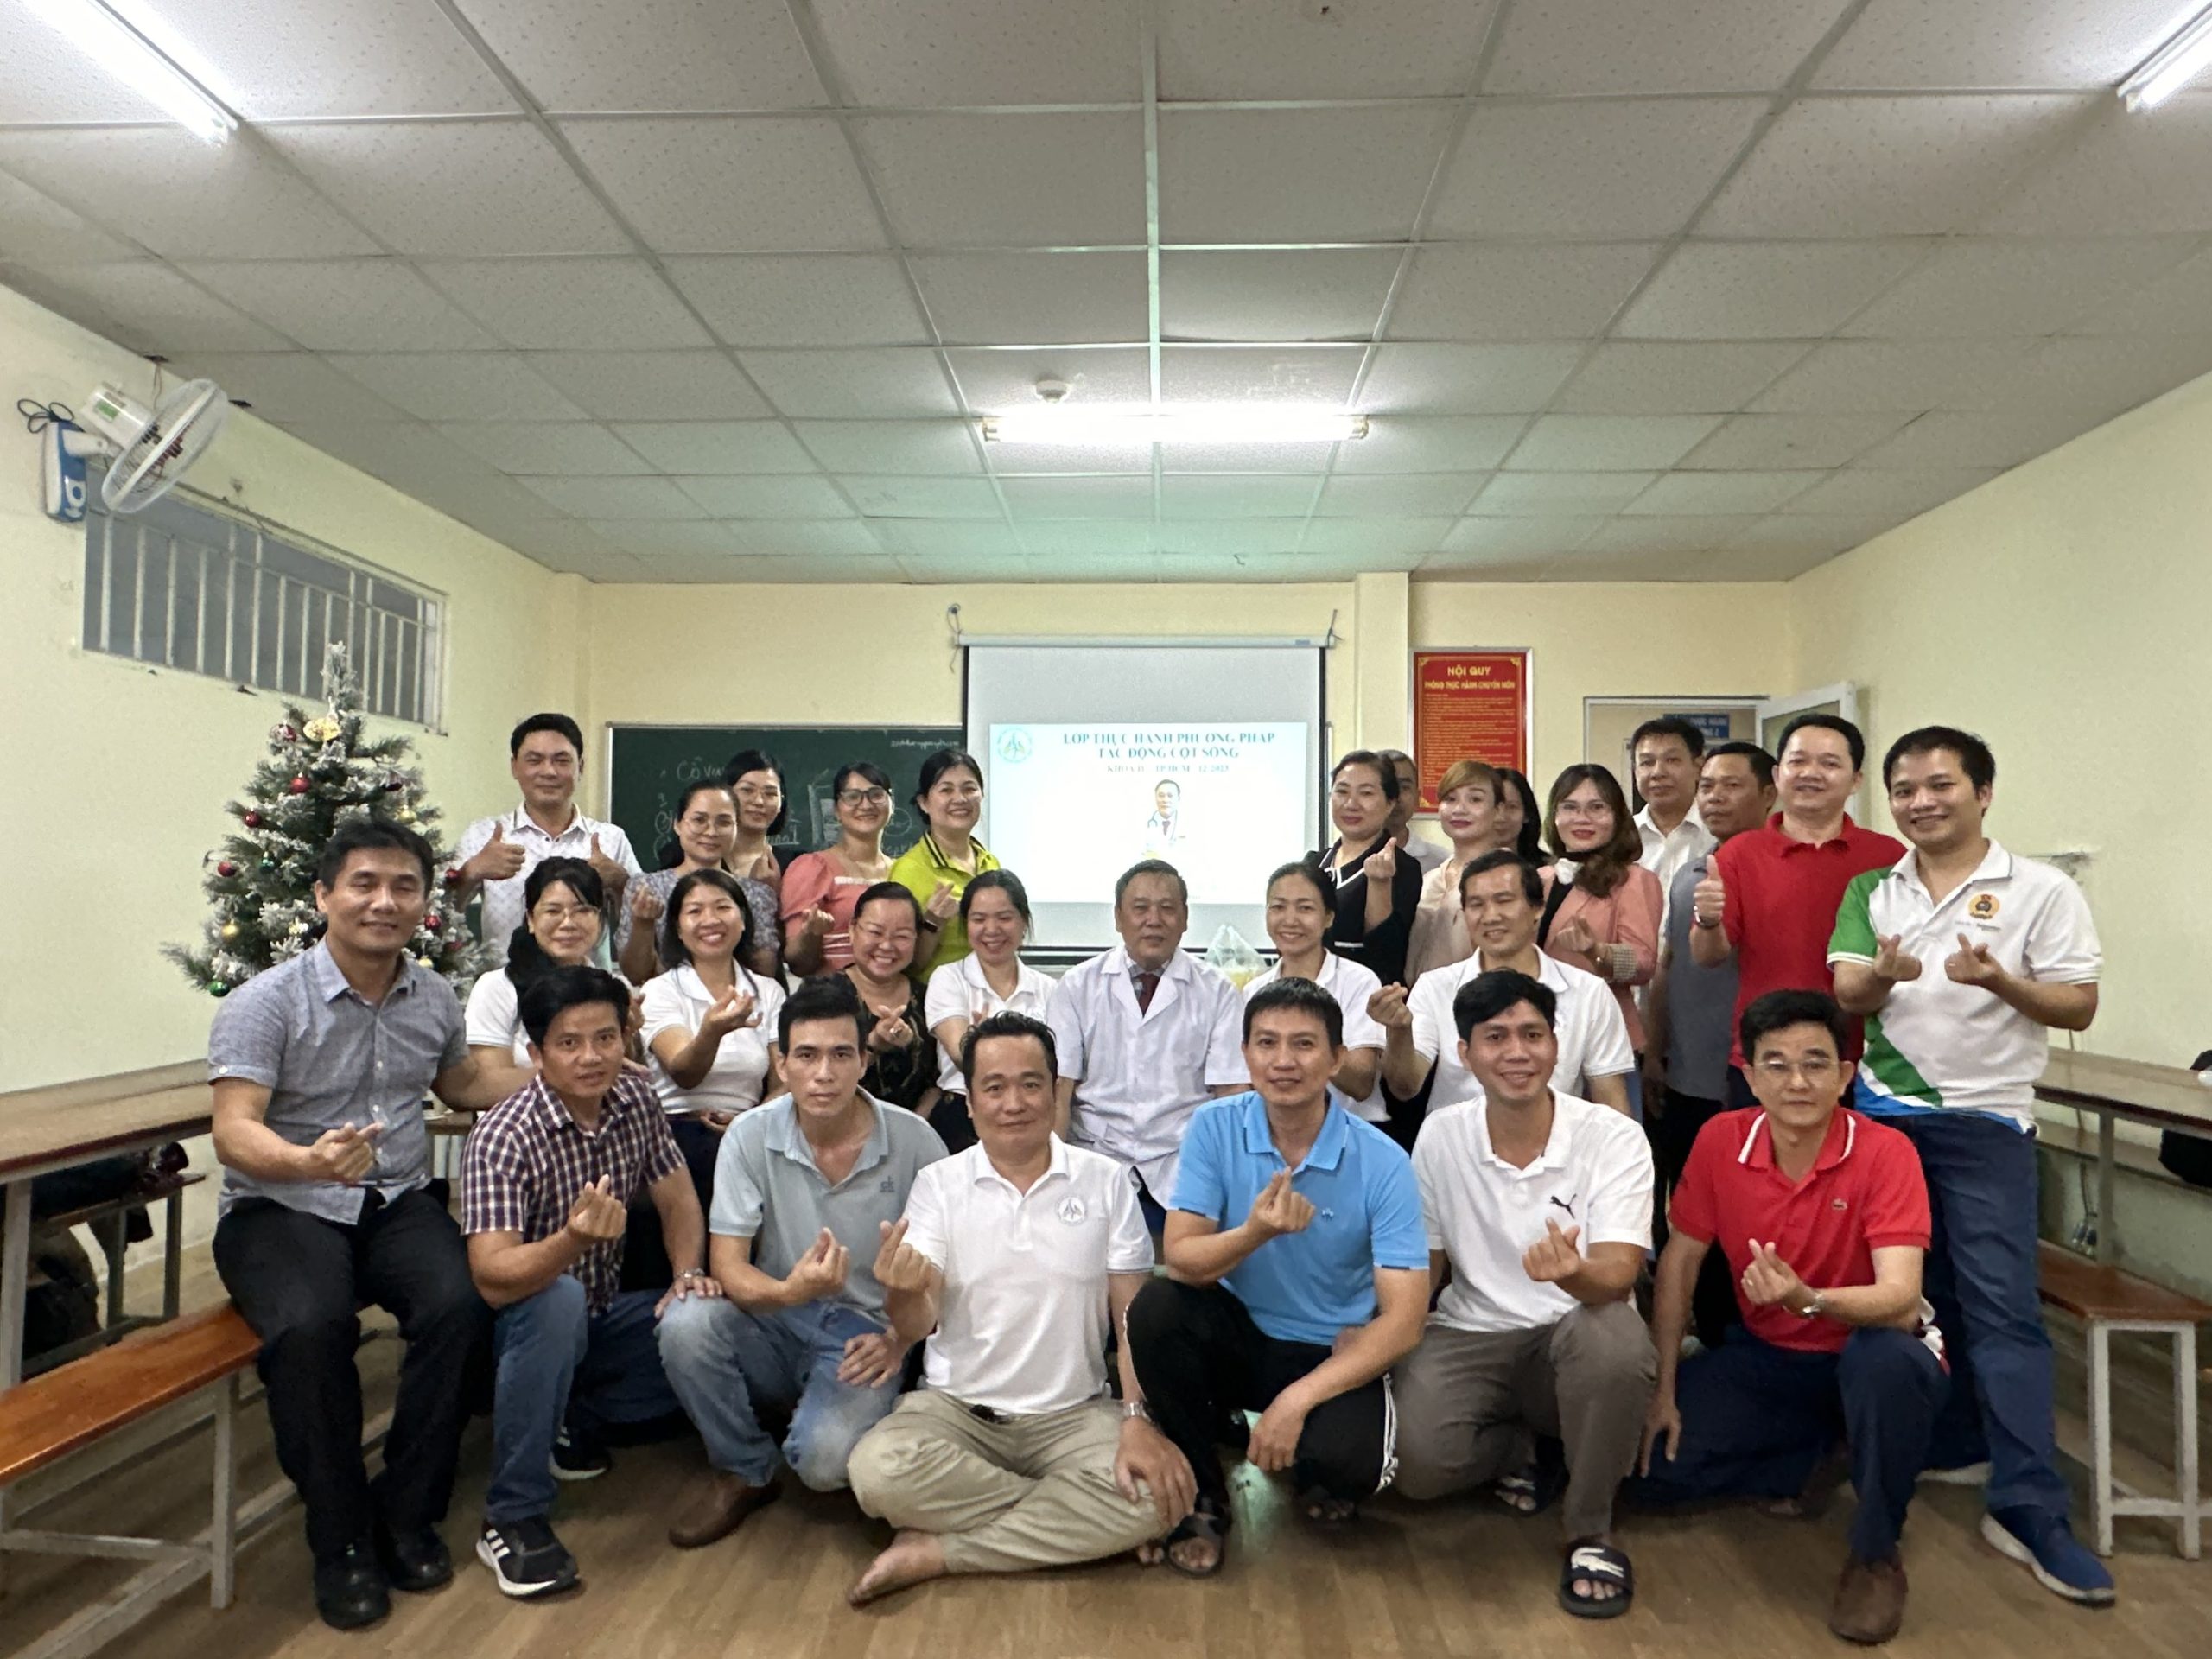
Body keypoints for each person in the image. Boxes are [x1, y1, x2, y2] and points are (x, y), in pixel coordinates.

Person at [1828, 727, 2113, 1606]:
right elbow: (1848, 991)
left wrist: (2001, 983)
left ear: (1982, 793)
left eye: (1939, 785)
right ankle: (1952, 1443)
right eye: (1904, 789)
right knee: (1917, 1299)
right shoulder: (1874, 887)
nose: (1920, 801)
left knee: (2003, 1314)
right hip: (1885, 1121)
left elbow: (2078, 1004)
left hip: (1988, 1122)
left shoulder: (2041, 889)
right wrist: (1884, 973)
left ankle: (2029, 1507)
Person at [207, 818, 512, 1630]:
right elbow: (233, 1130)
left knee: (462, 1306)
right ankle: (340, 1536)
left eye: (404, 886)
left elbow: (460, 1085)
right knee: (310, 1329)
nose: (385, 902)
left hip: (396, 1200)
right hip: (281, 1206)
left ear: (424, 902)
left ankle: (406, 1513)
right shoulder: (265, 1002)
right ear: (324, 896)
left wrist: (564, 1068)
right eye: (364, 884)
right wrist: (306, 1161)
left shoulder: (433, 995)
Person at [842, 1012, 1195, 1604]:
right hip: (956, 1412)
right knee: (876, 1472)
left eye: (1031, 1084)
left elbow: (1131, 1319)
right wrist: (899, 1291)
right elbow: (917, 1324)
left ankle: (938, 1552)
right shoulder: (939, 1184)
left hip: (1074, 1416)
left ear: (1055, 1092)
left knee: (1157, 1498)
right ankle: (1073, 1526)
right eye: (994, 1087)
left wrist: (1136, 1417)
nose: (1014, 1103)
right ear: (971, 1102)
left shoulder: (1106, 1182)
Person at [1633, 991, 1946, 1648]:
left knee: (1885, 1366)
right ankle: (1816, 1455)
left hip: (1873, 1348)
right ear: (1749, 1076)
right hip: (1771, 1355)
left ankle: (1876, 1554)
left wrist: (1810, 1299)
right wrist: (1664, 1388)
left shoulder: (1887, 1152)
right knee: (1652, 1469)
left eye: (1815, 1063)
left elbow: (1899, 1299)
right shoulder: (1721, 1140)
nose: (1796, 1081)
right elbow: (1681, 1263)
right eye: (1775, 1064)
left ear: (1846, 1073)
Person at [1125, 979, 1430, 1573]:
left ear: (1337, 1059)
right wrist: (1255, 1232)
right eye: (1266, 1043)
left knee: (1349, 1468)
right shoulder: (1214, 1126)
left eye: (1304, 1044)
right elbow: (1181, 1257)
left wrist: (1295, 1401)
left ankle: (1293, 1446)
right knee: (1156, 1307)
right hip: (1238, 1333)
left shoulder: (1384, 1160)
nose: (1283, 1061)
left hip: (1328, 1350)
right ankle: (1206, 1495)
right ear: (1245, 1054)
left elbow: (1406, 1319)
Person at [1393, 970, 1656, 1621]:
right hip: (1472, 1331)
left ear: (1556, 1046)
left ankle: (1590, 1530)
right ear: (1464, 1054)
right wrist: (1381, 1334)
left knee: (1617, 1341)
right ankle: (1524, 1448)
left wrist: (1570, 1274)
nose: (1517, 1052)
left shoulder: (1613, 1136)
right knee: (1416, 1469)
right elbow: (1427, 1265)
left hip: (1575, 1328)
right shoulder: (1441, 1135)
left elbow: (1618, 1274)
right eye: (1496, 1037)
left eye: (1533, 1035)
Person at [656, 977, 948, 1548]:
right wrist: (792, 1291)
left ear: (864, 1062)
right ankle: (744, 1467)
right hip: (774, 1314)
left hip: (867, 1332)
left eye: (841, 1055)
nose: (824, 1074)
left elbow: (944, 1272)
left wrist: (899, 1339)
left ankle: (843, 1412)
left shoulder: (916, 1141)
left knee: (823, 1465)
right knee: (685, 1321)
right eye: (807, 1056)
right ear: (782, 1064)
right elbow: (728, 1266)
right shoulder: (749, 1135)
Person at [461, 967, 721, 1598]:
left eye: (605, 1038)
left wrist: (688, 1276)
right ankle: (512, 1516)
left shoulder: (635, 1101)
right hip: (519, 1331)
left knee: (713, 1324)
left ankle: (572, 1413)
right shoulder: (502, 1134)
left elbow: (679, 1200)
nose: (591, 1057)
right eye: (569, 1043)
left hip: (603, 1318)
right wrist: (572, 1241)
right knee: (559, 1297)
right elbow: (493, 1279)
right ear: (536, 1054)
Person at [1689, 714, 1905, 1107]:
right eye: (1798, 761)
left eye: (1829, 763)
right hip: (1765, 1057)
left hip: (1864, 1061)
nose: (1811, 773)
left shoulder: (1889, 856)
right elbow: (1708, 956)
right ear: (1777, 774)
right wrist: (1707, 919)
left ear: (1856, 779)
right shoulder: (1739, 853)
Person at [1643, 742, 1775, 1347]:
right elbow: (1669, 966)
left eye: (1732, 785)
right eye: (1709, 786)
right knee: (1693, 1213)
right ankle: (1709, 1333)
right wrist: (1656, 1052)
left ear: (1769, 794)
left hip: (1759, 1079)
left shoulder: (1777, 869)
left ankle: (1751, 1340)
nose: (1715, 797)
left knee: (1753, 1214)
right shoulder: (1692, 874)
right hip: (1689, 1073)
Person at [1047, 860, 1247, 1227]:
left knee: (1187, 1259)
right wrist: (1053, 1175)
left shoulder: (1218, 991)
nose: (1153, 920)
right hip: (1096, 1154)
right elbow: (1061, 1088)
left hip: (1183, 1159)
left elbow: (1230, 1095)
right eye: (1140, 908)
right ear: (1118, 917)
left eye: (1167, 908)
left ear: (1185, 919)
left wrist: (1231, 1182)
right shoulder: (1077, 986)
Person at [1374, 853, 1632, 1116]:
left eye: (1504, 901)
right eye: (1476, 904)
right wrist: (1399, 1031)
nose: (1490, 916)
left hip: (1558, 1139)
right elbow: (1405, 1087)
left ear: (1537, 908)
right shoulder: (1435, 987)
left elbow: (1611, 1101)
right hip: (1457, 1139)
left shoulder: (1589, 992)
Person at [641, 870, 786, 1203]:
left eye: (722, 907)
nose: (710, 920)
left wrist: (748, 1121)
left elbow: (785, 1082)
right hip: (675, 1134)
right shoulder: (660, 990)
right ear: (678, 928)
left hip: (750, 1127)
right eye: (695, 911)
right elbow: (684, 1073)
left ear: (743, 919)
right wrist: (712, 1031)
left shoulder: (769, 991)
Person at [453, 713, 641, 955]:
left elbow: (648, 925)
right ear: (514, 767)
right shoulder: (482, 836)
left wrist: (621, 883)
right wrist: (471, 872)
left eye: (561, 761)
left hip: (586, 977)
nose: (549, 771)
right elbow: (436, 916)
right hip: (506, 978)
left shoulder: (611, 839)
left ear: (580, 767)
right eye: (535, 760)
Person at [1539, 766, 1662, 1115]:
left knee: (1610, 1142)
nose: (1583, 818)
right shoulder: (1539, 878)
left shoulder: (1633, 879)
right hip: (1543, 1036)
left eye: (1597, 807)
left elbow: (1643, 964)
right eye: (1570, 807)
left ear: (1617, 817)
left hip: (1604, 1037)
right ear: (1554, 816)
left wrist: (1597, 952)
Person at [1243, 861, 1387, 1126]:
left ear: (1329, 917)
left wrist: (1309, 1040)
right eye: (1278, 907)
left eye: (1305, 908)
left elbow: (1361, 1084)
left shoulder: (1359, 981)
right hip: (1276, 1129)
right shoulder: (1254, 991)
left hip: (1352, 1129)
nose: (1290, 920)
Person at [924, 870, 1053, 1154]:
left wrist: (982, 1045)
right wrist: (977, 1050)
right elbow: (962, 1055)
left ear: (1024, 921)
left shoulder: (1048, 988)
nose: (991, 929)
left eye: (1004, 918)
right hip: (962, 1114)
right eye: (979, 919)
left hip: (1031, 1112)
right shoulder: (948, 978)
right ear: (965, 925)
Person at [465, 856, 607, 1092]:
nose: (568, 923)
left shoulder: (611, 988)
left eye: (582, 910)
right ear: (531, 920)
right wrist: (575, 1074)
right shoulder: (498, 987)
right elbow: (487, 1084)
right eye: (553, 911)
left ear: (600, 920)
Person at [617, 781, 778, 984]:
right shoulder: (646, 889)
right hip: (666, 1001)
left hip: (737, 998)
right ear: (678, 824)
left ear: (737, 828)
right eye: (699, 820)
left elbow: (764, 971)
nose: (711, 832)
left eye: (724, 822)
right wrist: (644, 925)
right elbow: (635, 974)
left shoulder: (757, 894)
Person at [1311, 750, 1425, 988]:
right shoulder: (1314, 863)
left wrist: (1379, 885)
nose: (1351, 804)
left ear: (1390, 803)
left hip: (1367, 998)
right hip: (1310, 994)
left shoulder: (1403, 868)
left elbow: (1385, 954)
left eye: (1366, 793)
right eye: (1342, 791)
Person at [890, 747, 1001, 980]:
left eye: (969, 789)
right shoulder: (909, 870)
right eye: (946, 790)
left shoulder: (990, 863)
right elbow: (897, 963)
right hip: (935, 996)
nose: (960, 799)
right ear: (924, 802)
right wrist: (932, 922)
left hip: (989, 994)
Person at [782, 762, 893, 977]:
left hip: (894, 992)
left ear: (891, 803)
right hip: (833, 993)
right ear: (836, 810)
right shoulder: (812, 868)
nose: (866, 804)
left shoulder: (904, 870)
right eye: (853, 797)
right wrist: (811, 934)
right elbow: (797, 961)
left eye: (876, 795)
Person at [836, 881, 936, 1113]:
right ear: (852, 930)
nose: (887, 945)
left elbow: (938, 1082)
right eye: (875, 932)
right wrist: (873, 1046)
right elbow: (815, 1075)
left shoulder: (929, 998)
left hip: (919, 1127)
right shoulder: (822, 995)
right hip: (838, 1125)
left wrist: (914, 1126)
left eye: (902, 936)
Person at [1406, 759, 1505, 983]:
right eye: (1450, 799)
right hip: (1420, 999)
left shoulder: (1507, 876)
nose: (1460, 809)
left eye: (1475, 799)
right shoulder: (1431, 878)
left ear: (1498, 810)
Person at [1630, 717, 1716, 908]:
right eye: (1647, 762)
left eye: (1671, 760)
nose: (1658, 772)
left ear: (1699, 767)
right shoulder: (1621, 837)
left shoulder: (1717, 834)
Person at [720, 747, 788, 893]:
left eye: (770, 793)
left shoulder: (794, 865)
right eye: (747, 790)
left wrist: (772, 892)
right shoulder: (699, 856)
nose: (759, 801)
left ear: (781, 803)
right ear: (726, 794)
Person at [1379, 747, 1449, 875]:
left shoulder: (1440, 862)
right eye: (1387, 787)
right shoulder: (1345, 857)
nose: (1396, 797)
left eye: (1404, 787)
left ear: (1417, 797)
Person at [1496, 767, 1545, 866]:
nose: (1501, 817)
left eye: (1512, 807)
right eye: (1495, 805)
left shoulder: (1552, 869)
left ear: (1527, 814)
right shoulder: (1464, 867)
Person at [1144, 779, 1182, 856]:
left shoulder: (1188, 825)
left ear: (1178, 799)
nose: (1165, 800)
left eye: (1170, 796)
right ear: (1155, 798)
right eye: (1161, 796)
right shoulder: (1143, 825)